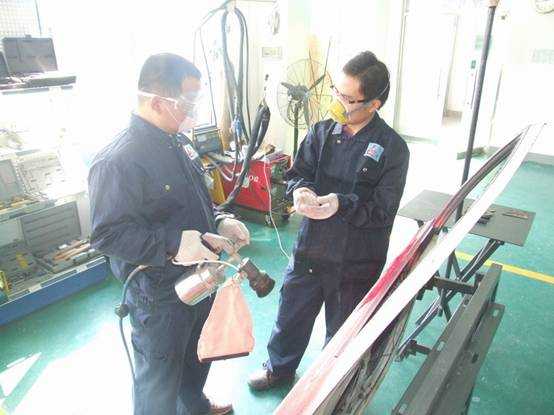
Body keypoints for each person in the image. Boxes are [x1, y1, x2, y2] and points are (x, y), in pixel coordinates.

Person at [88, 53, 246, 415]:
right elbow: (107, 235)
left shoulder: (178, 142)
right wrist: (173, 243)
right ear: (158, 102)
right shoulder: (118, 161)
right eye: (188, 102)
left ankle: (193, 405)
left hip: (201, 276)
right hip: (158, 294)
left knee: (196, 354)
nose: (194, 111)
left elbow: (196, 200)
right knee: (159, 377)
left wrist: (220, 220)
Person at [248, 51, 410, 390]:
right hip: (311, 247)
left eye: (347, 98)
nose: (337, 102)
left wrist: (341, 203)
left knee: (344, 331)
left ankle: (332, 388)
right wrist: (300, 190)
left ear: (374, 104)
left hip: (356, 257)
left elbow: (383, 209)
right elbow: (298, 173)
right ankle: (278, 368)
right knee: (291, 314)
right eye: (336, 91)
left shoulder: (392, 148)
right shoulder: (321, 132)